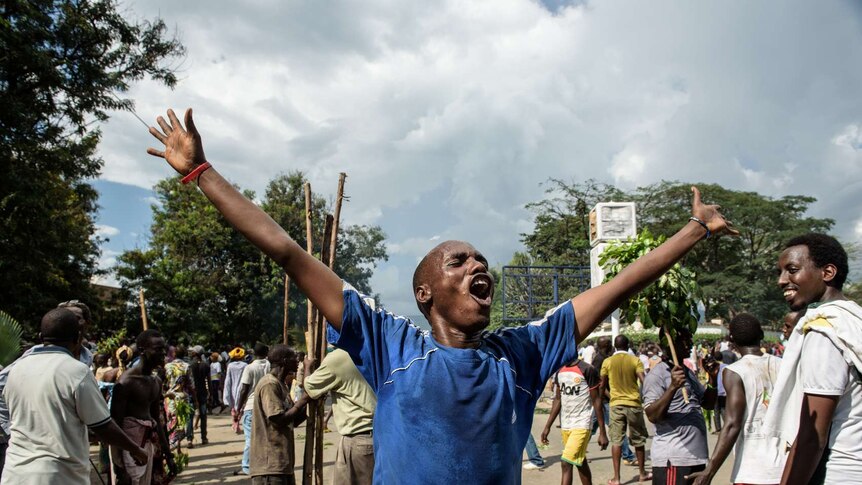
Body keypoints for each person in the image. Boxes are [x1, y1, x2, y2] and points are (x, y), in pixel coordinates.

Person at [145, 107, 736, 483]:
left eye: (482, 260)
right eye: (459, 261)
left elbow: (616, 285)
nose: (479, 266)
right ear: (425, 292)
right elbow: (289, 252)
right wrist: (201, 173)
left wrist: (693, 230)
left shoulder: (523, 354)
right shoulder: (389, 345)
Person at [1, 308, 147, 485]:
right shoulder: (76, 371)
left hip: (14, 473)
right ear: (78, 338)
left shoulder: (16, 370)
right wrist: (136, 450)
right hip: (58, 474)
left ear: (41, 337)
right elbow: (103, 427)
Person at [764, 234, 861, 484]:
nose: (781, 280)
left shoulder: (825, 331)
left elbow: (813, 435)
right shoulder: (853, 322)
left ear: (827, 272)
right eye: (780, 272)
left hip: (838, 473)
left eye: (792, 270)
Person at [0, 300, 95, 479]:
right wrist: (11, 428)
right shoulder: (36, 355)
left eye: (77, 318)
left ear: (86, 323)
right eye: (66, 317)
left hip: (69, 454)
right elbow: (1, 386)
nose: (71, 321)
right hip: (37, 456)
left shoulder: (86, 357)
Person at [686, 313, 784, 485]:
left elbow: (732, 424)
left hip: (753, 470)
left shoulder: (735, 372)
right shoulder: (783, 365)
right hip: (786, 468)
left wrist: (709, 471)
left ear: (731, 339)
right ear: (761, 335)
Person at [643, 328, 718, 485]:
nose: (690, 344)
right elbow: (653, 416)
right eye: (685, 340)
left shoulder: (687, 372)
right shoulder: (657, 375)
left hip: (695, 457)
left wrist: (712, 378)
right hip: (674, 459)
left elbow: (708, 404)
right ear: (670, 344)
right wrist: (672, 387)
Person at [109, 329, 176, 485]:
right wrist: (120, 468)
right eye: (158, 349)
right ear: (142, 350)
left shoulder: (155, 382)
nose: (163, 354)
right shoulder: (126, 382)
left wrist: (168, 455)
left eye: (163, 349)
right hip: (128, 451)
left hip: (146, 448)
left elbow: (156, 421)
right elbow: (115, 425)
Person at [303, 348, 376, 485]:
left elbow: (309, 387)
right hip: (376, 436)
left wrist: (307, 367)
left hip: (358, 438)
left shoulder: (339, 357)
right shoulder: (373, 350)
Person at [541, 358, 608, 485]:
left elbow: (597, 401)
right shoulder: (559, 370)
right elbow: (558, 399)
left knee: (566, 462)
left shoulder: (587, 369)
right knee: (579, 462)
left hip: (582, 424)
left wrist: (602, 432)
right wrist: (547, 426)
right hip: (566, 425)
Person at [251, 345, 310, 485]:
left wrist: (309, 403)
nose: (297, 361)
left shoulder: (280, 384)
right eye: (293, 358)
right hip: (270, 466)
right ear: (284, 361)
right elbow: (278, 420)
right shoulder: (269, 384)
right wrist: (302, 401)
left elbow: (292, 421)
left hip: (282, 464)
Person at [601, 335, 650, 484]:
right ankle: (642, 474)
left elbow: (602, 386)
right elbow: (644, 381)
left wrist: (611, 397)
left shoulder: (608, 362)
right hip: (634, 404)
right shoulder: (635, 360)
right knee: (638, 441)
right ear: (628, 346)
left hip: (616, 405)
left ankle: (617, 478)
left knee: (616, 441)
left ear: (614, 347)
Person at [591, 337, 637, 466]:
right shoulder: (599, 360)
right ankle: (628, 455)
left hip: (604, 400)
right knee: (616, 428)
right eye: (609, 344)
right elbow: (599, 382)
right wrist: (610, 396)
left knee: (592, 427)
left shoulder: (606, 357)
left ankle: (579, 449)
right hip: (604, 400)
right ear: (606, 345)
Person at [235, 343, 271, 476]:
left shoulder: (250, 368)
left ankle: (246, 466)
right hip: (267, 405)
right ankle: (262, 464)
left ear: (254, 354)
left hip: (251, 405)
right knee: (265, 436)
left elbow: (244, 389)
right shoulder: (270, 365)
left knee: (250, 438)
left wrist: (238, 408)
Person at [163, 345, 196, 450]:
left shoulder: (167, 366)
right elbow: (191, 385)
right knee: (182, 421)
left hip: (169, 397)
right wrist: (195, 399)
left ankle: (173, 443)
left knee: (171, 420)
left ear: (174, 354)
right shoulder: (186, 366)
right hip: (182, 397)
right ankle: (177, 445)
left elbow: (163, 383)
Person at [223, 347, 248, 434]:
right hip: (242, 388)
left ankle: (235, 423)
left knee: (233, 407)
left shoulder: (230, 366)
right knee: (241, 407)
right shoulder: (245, 365)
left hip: (232, 388)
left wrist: (226, 391)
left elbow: (228, 379)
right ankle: (237, 424)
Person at [189, 346, 210, 445]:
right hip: (202, 393)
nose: (190, 352)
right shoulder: (205, 365)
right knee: (203, 415)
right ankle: (204, 438)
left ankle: (189, 439)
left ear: (195, 353)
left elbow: (189, 381)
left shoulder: (190, 365)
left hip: (192, 393)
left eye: (192, 351)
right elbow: (208, 380)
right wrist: (210, 393)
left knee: (190, 416)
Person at [710, 352, 727, 433]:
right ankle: (726, 425)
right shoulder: (727, 367)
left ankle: (718, 428)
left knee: (716, 410)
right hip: (724, 391)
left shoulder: (712, 367)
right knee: (723, 408)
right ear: (722, 358)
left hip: (715, 391)